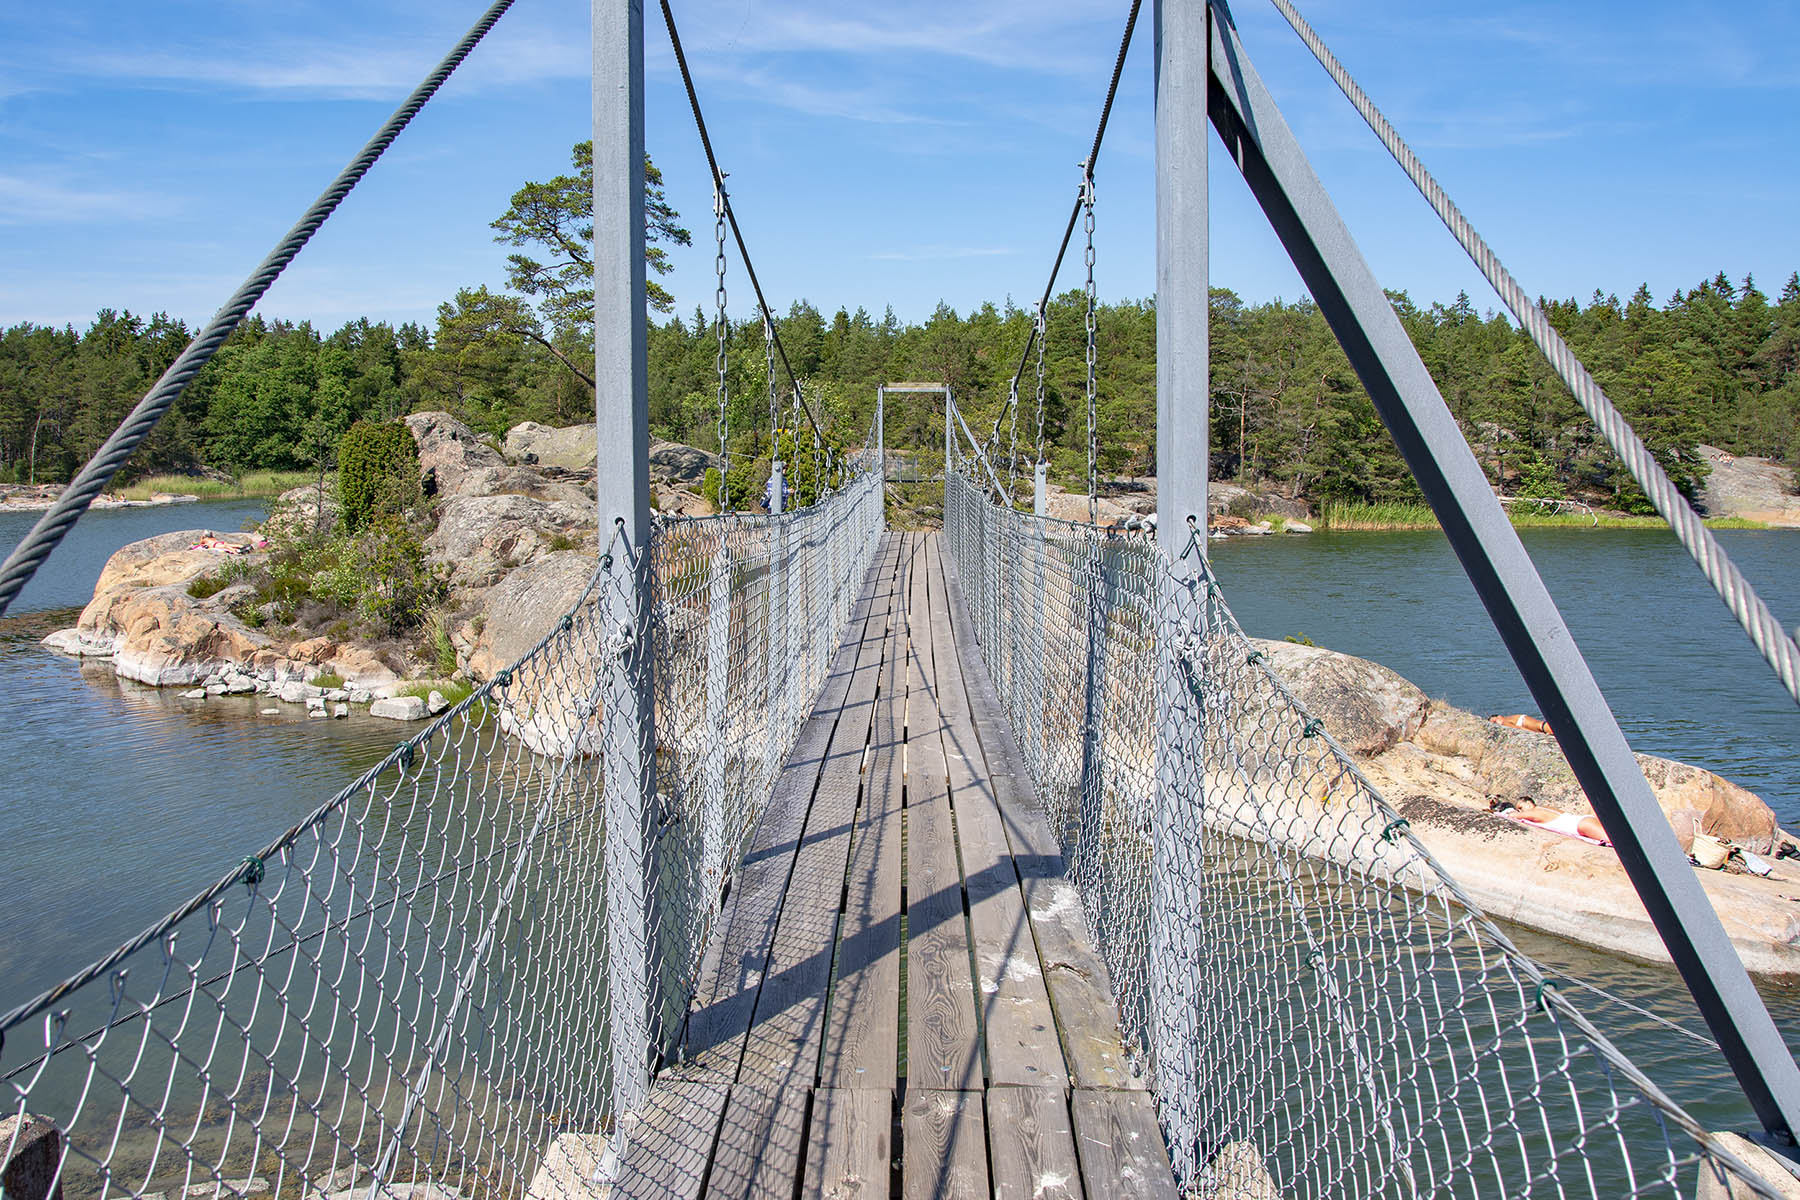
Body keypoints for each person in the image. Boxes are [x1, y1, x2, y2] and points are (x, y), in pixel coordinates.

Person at [1488, 797, 1609, 845]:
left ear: (1529, 803)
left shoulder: (1534, 813)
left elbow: (1512, 816)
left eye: (1521, 807)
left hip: (1582, 825)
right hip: (1582, 822)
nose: (1520, 811)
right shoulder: (1546, 808)